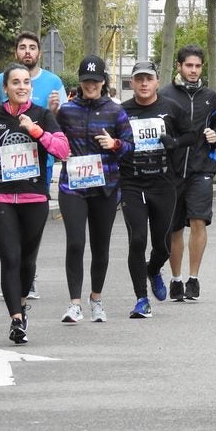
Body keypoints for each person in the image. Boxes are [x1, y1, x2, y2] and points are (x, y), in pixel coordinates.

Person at [0, 62, 69, 343]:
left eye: (26, 82)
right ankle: (15, 319)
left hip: (34, 196)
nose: (22, 87)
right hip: (0, 194)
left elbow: (63, 150)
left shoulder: (42, 116)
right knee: (10, 257)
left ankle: (22, 305)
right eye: (16, 82)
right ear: (5, 88)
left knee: (27, 261)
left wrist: (36, 131)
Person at [55, 56, 133, 324]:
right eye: (87, 80)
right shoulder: (67, 110)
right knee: (76, 243)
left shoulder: (115, 111)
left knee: (101, 247)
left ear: (103, 82)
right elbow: (54, 141)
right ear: (80, 81)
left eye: (96, 80)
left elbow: (129, 147)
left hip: (105, 188)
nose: (91, 85)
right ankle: (74, 303)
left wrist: (114, 144)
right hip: (72, 187)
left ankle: (96, 299)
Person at [0, 31, 68, 299]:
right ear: (16, 52)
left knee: (31, 227)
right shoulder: (2, 79)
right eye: (22, 47)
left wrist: (54, 111)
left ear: (39, 53)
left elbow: (59, 127)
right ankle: (15, 275)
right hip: (5, 169)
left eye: (32, 47)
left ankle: (28, 273)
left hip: (39, 164)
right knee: (10, 232)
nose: (27, 52)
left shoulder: (53, 81)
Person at [119, 62, 196, 317]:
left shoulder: (170, 108)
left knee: (163, 245)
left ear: (156, 81)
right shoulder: (122, 111)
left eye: (148, 79)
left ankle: (153, 269)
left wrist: (174, 142)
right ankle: (141, 299)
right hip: (132, 183)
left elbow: (190, 135)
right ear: (132, 83)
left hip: (163, 183)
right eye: (138, 79)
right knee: (137, 239)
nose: (143, 84)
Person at [160, 44, 216, 301]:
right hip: (172, 171)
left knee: (199, 220)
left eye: (197, 66)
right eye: (188, 65)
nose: (193, 70)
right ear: (179, 66)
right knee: (175, 228)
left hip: (201, 169)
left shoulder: (211, 97)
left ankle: (193, 278)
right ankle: (176, 279)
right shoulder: (165, 94)